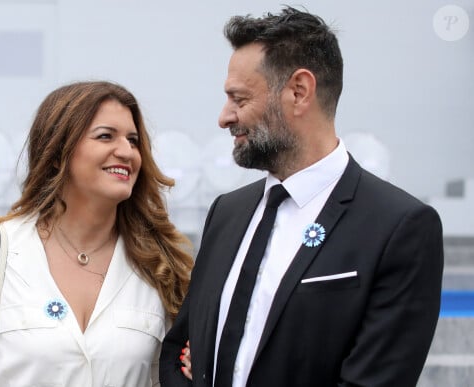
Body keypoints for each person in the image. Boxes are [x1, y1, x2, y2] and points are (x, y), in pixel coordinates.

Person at [160, 6, 443, 387]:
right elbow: (179, 350)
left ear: (299, 91)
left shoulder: (399, 227)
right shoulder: (227, 212)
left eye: (239, 99)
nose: (224, 117)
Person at [0, 81, 194, 386]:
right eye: (105, 136)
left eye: (133, 140)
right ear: (57, 153)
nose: (126, 151)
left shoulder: (157, 265)